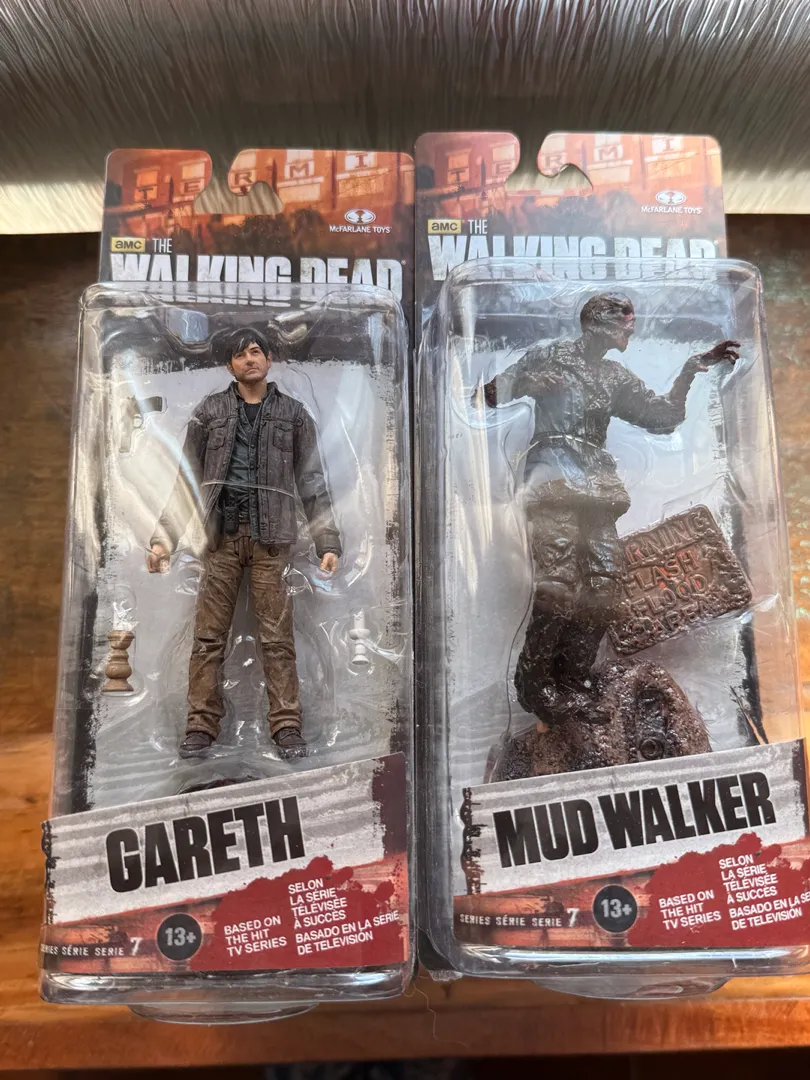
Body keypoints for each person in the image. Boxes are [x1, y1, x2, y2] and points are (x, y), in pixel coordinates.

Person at [482, 293, 738, 726]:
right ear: (598, 324)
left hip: (597, 489)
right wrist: (528, 383)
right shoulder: (549, 356)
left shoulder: (613, 377)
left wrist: (690, 370)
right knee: (557, 585)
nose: (630, 332)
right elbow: (490, 394)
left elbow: (663, 417)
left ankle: (574, 678)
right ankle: (535, 684)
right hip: (553, 480)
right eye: (624, 324)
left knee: (605, 588)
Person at [148, 326, 341, 759]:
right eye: (240, 355)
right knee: (208, 637)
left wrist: (327, 541)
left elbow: (312, 480)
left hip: (272, 542)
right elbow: (185, 480)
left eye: (256, 352)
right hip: (221, 539)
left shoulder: (293, 415)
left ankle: (287, 725)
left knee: (277, 639)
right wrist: (163, 540)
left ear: (269, 359)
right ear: (229, 365)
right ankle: (200, 725)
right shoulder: (210, 411)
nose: (249, 360)